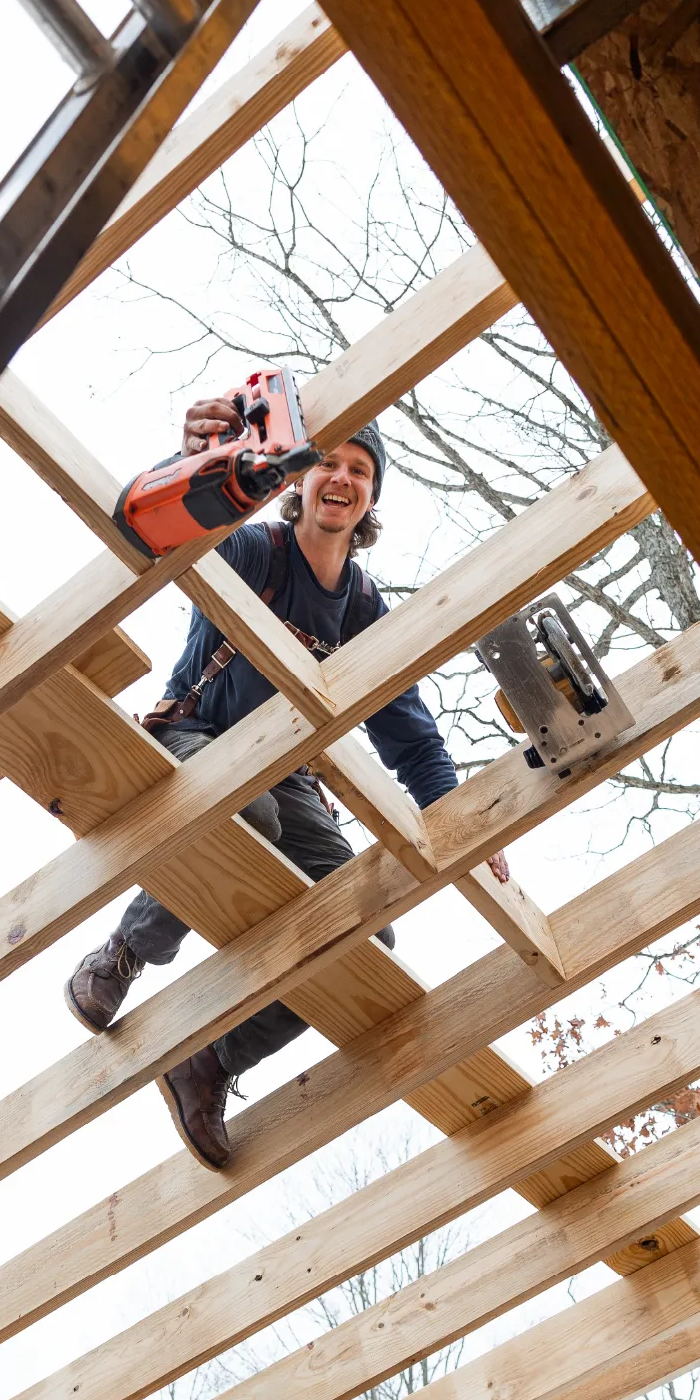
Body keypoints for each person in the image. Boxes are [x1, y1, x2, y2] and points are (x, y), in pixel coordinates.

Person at [65, 397, 509, 1169]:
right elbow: (176, 540)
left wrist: (463, 818)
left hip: (289, 777)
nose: (341, 477)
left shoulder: (364, 610)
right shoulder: (256, 553)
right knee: (252, 811)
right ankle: (122, 954)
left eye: (360, 471)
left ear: (371, 497)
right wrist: (195, 468)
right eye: (329, 462)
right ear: (301, 481)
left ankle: (210, 1060)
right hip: (197, 735)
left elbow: (409, 735)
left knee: (366, 928)